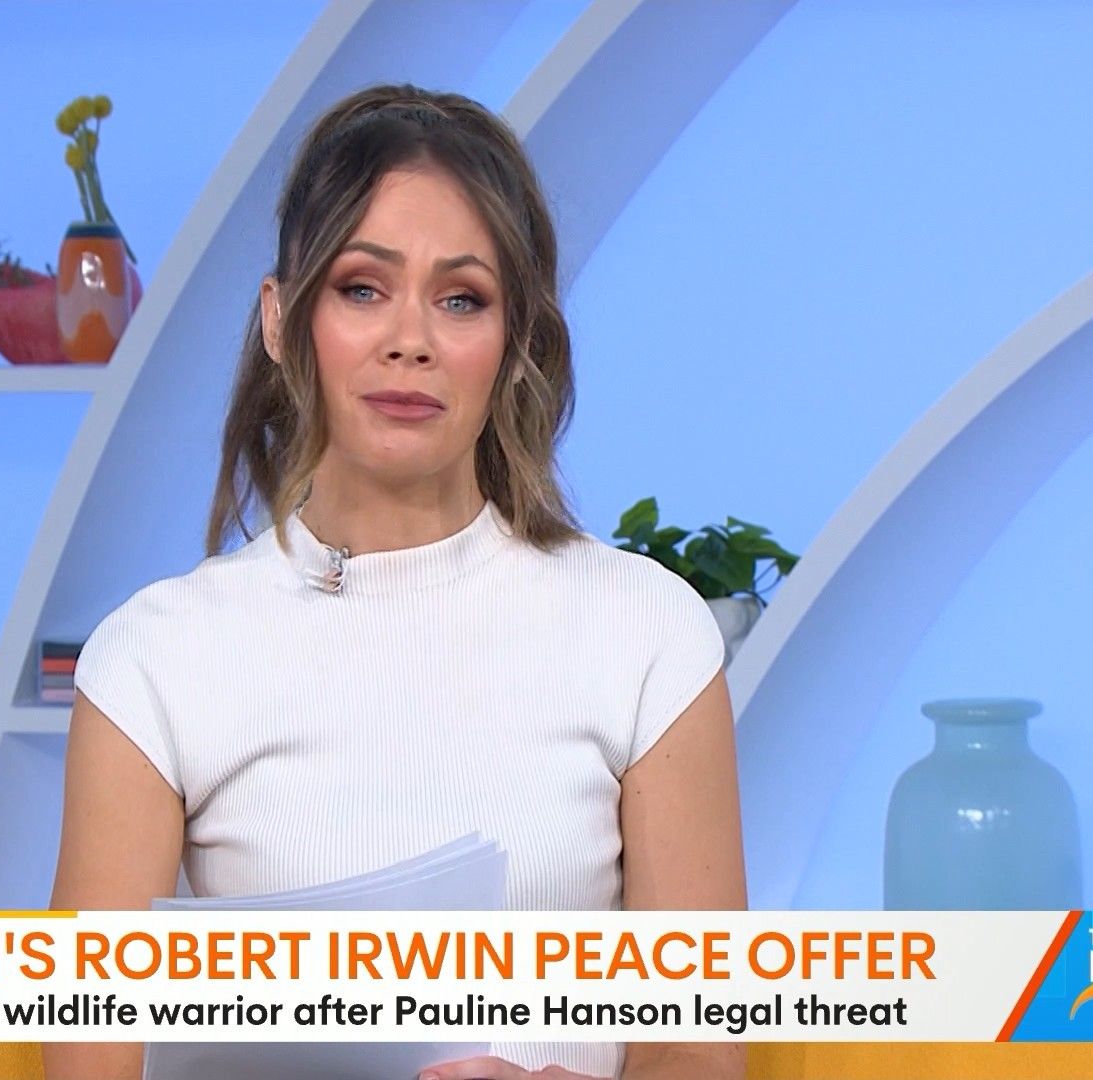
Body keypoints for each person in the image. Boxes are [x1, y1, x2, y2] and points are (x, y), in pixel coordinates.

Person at [46, 83, 745, 1080]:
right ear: (281, 320)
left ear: (514, 343)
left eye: (461, 299)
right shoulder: (155, 659)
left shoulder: (647, 633)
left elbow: (700, 1051)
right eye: (362, 288)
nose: (409, 338)